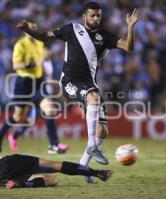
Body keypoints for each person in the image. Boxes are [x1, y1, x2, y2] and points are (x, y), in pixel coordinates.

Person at [16, 1, 141, 181]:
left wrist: (130, 27)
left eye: (98, 15)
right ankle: (91, 145)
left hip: (90, 83)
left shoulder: (104, 36)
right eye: (93, 15)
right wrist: (28, 29)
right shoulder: (71, 29)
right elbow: (44, 36)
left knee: (103, 131)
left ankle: (83, 168)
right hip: (70, 81)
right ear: (85, 17)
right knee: (93, 97)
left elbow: (129, 47)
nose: (96, 18)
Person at [0, 31, 68, 154]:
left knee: (49, 111)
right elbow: (19, 66)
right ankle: (1, 135)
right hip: (27, 88)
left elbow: (49, 79)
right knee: (18, 117)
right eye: (48, 50)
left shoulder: (48, 63)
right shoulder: (36, 58)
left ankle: (53, 145)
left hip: (40, 91)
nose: (50, 53)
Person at [0, 140, 112, 189]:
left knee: (52, 181)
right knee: (54, 164)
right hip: (3, 165)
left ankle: (19, 183)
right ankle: (96, 173)